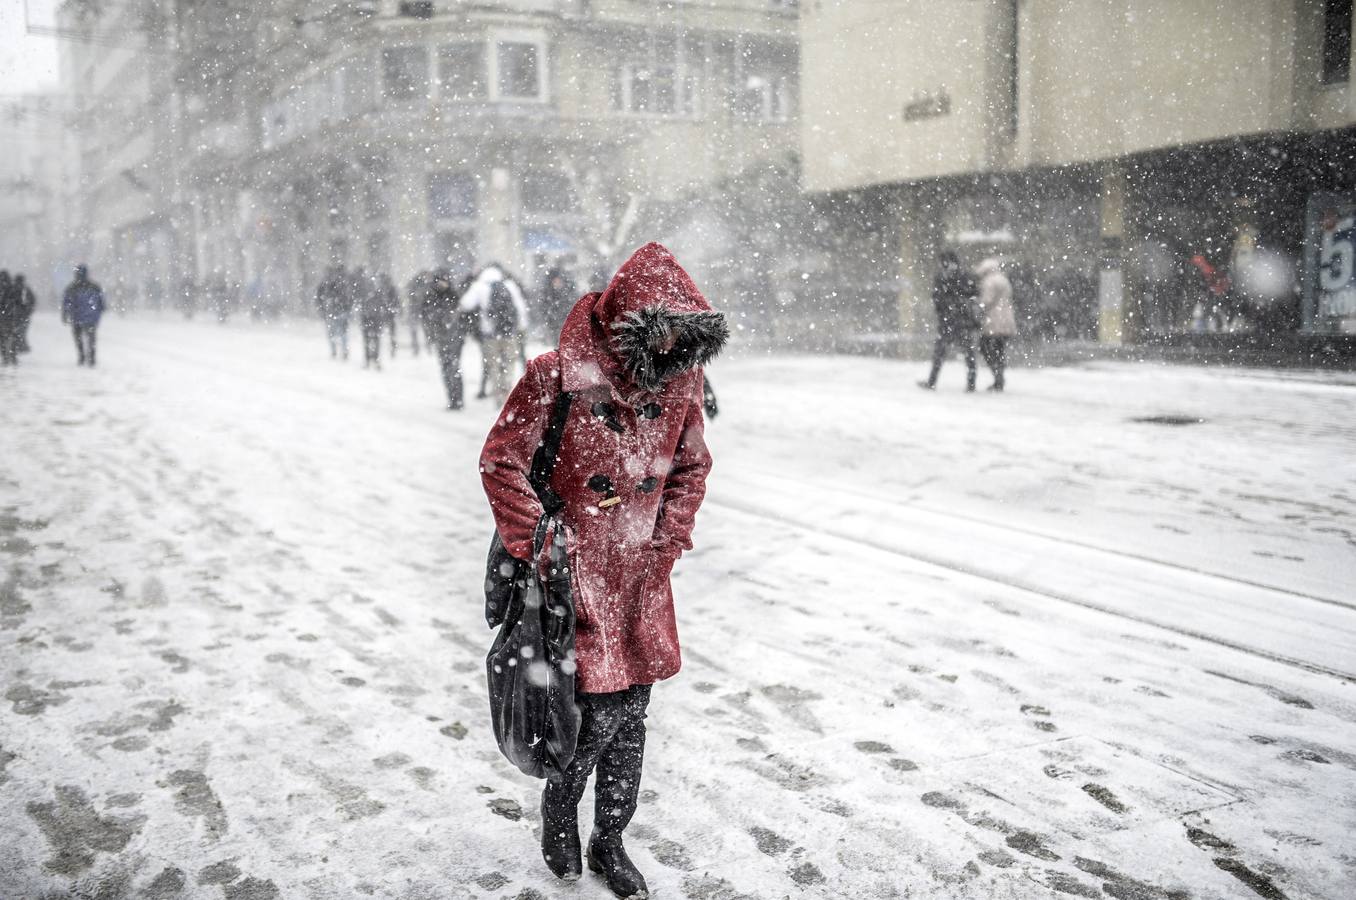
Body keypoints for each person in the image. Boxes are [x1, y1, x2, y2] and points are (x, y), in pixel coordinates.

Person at [480, 242, 727, 899]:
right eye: (662, 328)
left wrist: (667, 539)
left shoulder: (682, 382)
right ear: (630, 324)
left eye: (685, 332)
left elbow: (692, 464)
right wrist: (541, 540)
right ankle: (562, 808)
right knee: (592, 712)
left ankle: (610, 837)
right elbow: (501, 461)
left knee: (635, 710)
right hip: (574, 578)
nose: (675, 344)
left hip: (642, 577)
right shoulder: (551, 377)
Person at [460, 263, 529, 404]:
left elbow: (465, 304)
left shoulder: (479, 286)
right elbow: (520, 307)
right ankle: (507, 388)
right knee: (509, 362)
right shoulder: (509, 285)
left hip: (490, 333)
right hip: (510, 332)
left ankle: (498, 393)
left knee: (493, 364)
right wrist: (521, 327)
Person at [919, 250, 979, 392]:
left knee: (940, 353)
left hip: (948, 321)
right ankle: (971, 383)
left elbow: (937, 298)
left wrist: (944, 308)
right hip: (963, 320)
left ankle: (932, 381)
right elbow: (975, 293)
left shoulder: (942, 277)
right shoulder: (965, 275)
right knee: (968, 353)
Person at [421, 268, 474, 409]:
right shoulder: (431, 297)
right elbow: (426, 317)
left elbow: (464, 317)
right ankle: (452, 398)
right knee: (446, 367)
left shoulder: (453, 295)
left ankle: (458, 399)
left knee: (454, 367)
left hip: (454, 337)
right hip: (442, 337)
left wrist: (463, 333)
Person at [975, 257, 1017, 392]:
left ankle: (998, 377)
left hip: (993, 319)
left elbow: (986, 300)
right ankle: (999, 377)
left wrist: (976, 303)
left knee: (986, 347)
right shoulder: (1003, 279)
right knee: (999, 349)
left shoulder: (989, 281)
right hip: (1007, 317)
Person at [62, 264, 105, 367]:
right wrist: (99, 311)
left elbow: (67, 302)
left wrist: (65, 314)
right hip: (91, 318)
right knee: (91, 338)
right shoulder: (95, 287)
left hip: (77, 317)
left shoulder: (71, 287)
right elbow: (101, 302)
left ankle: (81, 356)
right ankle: (92, 357)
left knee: (78, 338)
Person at [315, 265, 352, 359]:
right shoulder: (345, 283)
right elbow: (350, 298)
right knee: (343, 332)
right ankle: (343, 350)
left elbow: (319, 297)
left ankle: (334, 350)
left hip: (332, 311)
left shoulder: (326, 284)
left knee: (332, 332)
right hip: (341, 311)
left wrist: (322, 309)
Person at [355, 268, 387, 370]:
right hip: (374, 319)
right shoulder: (378, 290)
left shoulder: (364, 290)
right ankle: (373, 360)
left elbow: (360, 303)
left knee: (368, 340)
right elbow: (383, 304)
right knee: (374, 340)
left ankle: (368, 360)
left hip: (368, 318)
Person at [539, 262, 576, 343]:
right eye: (555, 281)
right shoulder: (547, 293)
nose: (557, 283)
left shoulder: (567, 291)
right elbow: (543, 308)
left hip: (566, 322)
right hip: (554, 323)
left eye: (559, 280)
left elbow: (571, 304)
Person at [0, 271, 20, 366]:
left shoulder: (8, 288)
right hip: (10, 317)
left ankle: (5, 356)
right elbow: (19, 302)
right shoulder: (13, 288)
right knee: (12, 337)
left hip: (5, 317)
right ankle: (12, 355)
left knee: (3, 338)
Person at [13, 274, 35, 354]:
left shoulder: (12, 288)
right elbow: (32, 301)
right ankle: (21, 347)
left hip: (15, 315)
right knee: (22, 332)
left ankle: (17, 347)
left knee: (16, 332)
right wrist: (29, 311)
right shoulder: (26, 289)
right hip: (24, 315)